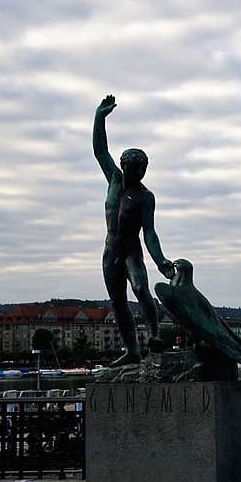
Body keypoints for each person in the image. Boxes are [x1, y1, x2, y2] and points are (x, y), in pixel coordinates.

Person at [93, 94, 174, 366]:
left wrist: (160, 260)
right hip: (110, 253)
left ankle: (154, 334)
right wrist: (99, 117)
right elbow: (100, 151)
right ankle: (132, 351)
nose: (140, 174)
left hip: (131, 251)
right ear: (126, 166)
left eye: (143, 170)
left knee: (141, 288)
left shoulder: (145, 197)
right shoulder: (114, 180)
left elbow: (150, 232)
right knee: (118, 303)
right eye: (137, 169)